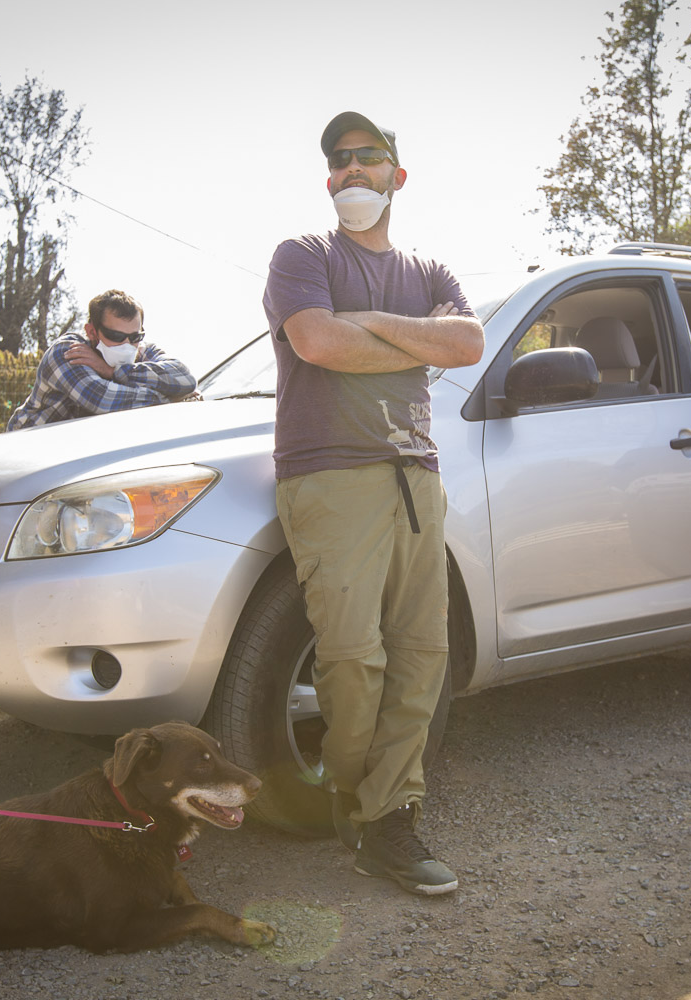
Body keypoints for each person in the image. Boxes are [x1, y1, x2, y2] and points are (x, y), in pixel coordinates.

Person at [262, 111, 484, 895]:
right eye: (340, 161)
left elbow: (465, 344)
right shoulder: (303, 256)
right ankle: (352, 799)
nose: (353, 169)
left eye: (369, 157)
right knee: (353, 659)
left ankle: (390, 819)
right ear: (329, 181)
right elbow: (317, 343)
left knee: (422, 658)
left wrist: (373, 326)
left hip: (416, 476)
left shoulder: (429, 272)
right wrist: (409, 339)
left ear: (398, 174)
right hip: (329, 476)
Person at [6, 289, 197, 431]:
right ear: (92, 332)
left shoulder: (143, 350)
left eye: (134, 337)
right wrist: (172, 400)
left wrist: (112, 371)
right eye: (115, 336)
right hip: (25, 449)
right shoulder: (68, 351)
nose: (127, 344)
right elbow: (103, 400)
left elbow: (185, 378)